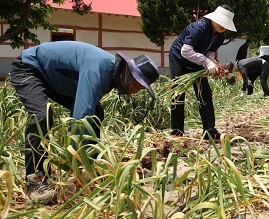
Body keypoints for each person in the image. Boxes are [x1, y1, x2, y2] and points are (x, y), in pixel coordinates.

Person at [10, 41, 161, 205]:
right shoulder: (99, 71)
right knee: (42, 116)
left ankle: (92, 166)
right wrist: (77, 160)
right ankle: (35, 181)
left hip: (53, 78)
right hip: (29, 68)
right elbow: (80, 119)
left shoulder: (111, 76)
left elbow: (88, 111)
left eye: (141, 88)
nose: (135, 90)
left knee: (97, 111)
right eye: (137, 85)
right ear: (128, 74)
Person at [168, 5, 236, 139]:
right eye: (222, 22)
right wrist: (206, 62)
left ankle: (209, 130)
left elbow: (209, 53)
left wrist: (212, 63)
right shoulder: (199, 27)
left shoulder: (220, 36)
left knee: (205, 94)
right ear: (215, 18)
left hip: (197, 62)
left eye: (226, 24)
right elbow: (186, 51)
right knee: (178, 95)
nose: (223, 26)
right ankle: (177, 131)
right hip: (179, 59)